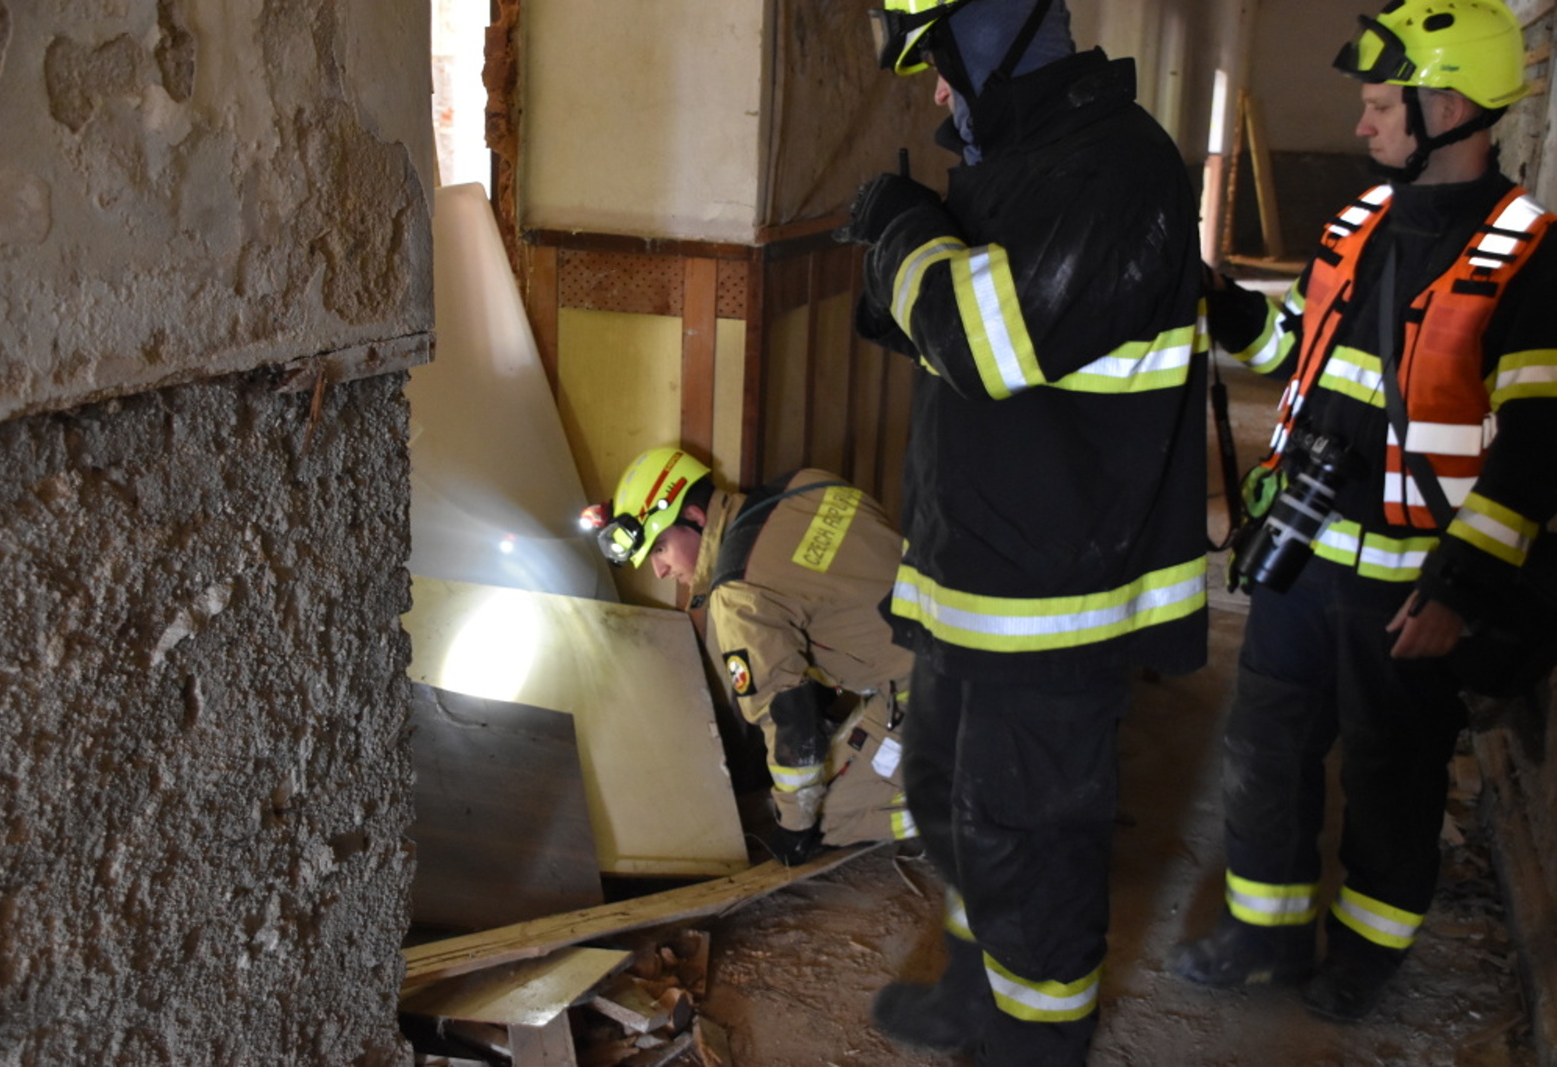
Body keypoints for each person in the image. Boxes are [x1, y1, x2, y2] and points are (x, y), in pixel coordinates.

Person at [1169, 0, 1557, 1024]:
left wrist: (1459, 589)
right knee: (1266, 751)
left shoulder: (1530, 255)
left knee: (1393, 776)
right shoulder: (1358, 223)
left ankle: (1367, 953)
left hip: (1409, 587)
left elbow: (1539, 442)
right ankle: (1263, 934)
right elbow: (1285, 350)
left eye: (1382, 105)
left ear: (1449, 107)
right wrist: (1218, 299)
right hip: (1300, 560)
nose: (1361, 124)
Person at [842, 1, 1210, 1063]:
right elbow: (939, 329)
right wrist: (911, 257)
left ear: (990, 33)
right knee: (950, 799)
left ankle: (1040, 1036)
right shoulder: (1020, 161)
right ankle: (978, 987)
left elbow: (984, 340)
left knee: (1029, 830)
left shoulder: (1115, 166)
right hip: (975, 576)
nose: (937, 91)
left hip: (1057, 596)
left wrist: (904, 233)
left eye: (939, 63)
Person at [582, 446, 918, 865]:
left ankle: (964, 804)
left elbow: (790, 720)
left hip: (928, 693)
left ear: (696, 516)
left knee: (831, 815)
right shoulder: (811, 483)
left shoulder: (739, 592)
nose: (660, 571)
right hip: (964, 639)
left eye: (660, 548)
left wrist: (796, 825)